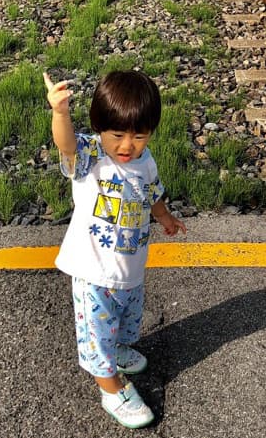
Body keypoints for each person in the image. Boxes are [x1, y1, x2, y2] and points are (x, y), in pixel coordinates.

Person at [43, 69, 187, 429]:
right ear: (100, 128)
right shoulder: (91, 155)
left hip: (130, 265)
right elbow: (66, 145)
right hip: (94, 270)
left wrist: (166, 218)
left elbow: (153, 194)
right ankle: (110, 387)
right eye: (118, 134)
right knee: (96, 333)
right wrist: (60, 113)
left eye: (139, 135)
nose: (127, 146)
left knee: (126, 318)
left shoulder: (145, 160)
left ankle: (119, 350)